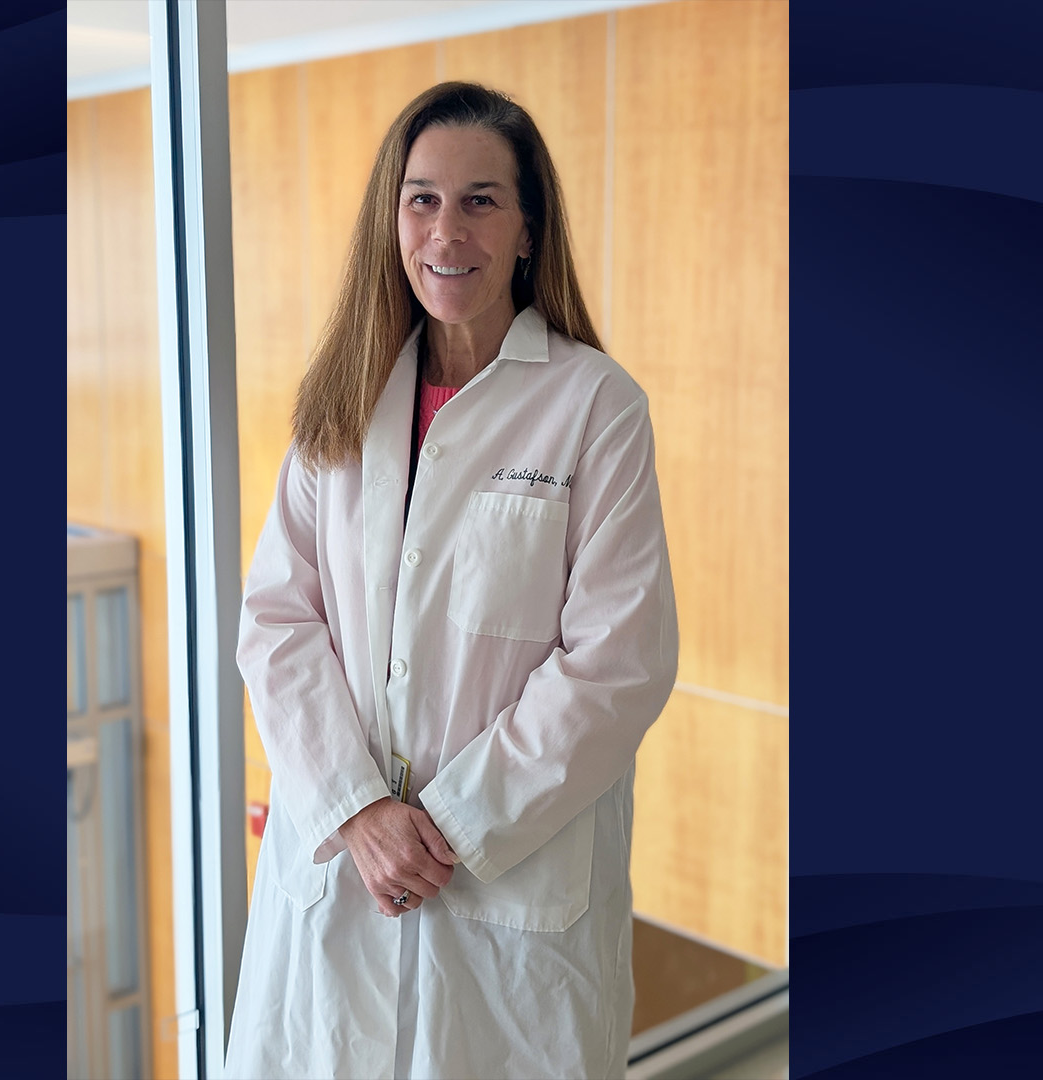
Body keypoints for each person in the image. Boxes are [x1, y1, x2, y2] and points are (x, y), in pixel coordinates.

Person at [227, 81, 679, 1080]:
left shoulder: (595, 407)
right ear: (392, 221)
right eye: (422, 199)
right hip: (339, 882)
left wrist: (449, 827)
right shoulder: (341, 398)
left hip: (506, 893)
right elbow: (277, 619)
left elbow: (618, 661)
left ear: (528, 229)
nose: (447, 230)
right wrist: (355, 809)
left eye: (481, 200)